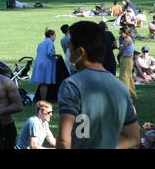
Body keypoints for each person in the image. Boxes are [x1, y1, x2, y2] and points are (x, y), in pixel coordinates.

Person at [56, 21, 140, 149]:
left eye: (70, 46)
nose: (69, 50)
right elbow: (133, 137)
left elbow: (64, 140)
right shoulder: (120, 87)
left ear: (80, 52)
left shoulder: (72, 85)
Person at [30, 29, 57, 101]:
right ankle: (44, 100)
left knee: (42, 83)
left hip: (39, 64)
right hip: (46, 64)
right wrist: (57, 56)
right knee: (44, 83)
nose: (55, 37)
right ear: (51, 35)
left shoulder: (42, 42)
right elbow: (50, 53)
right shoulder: (50, 42)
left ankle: (42, 99)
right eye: (55, 35)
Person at [118, 26, 137, 99]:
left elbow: (122, 50)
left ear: (125, 32)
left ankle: (124, 94)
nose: (120, 34)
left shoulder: (126, 40)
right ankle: (131, 93)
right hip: (128, 59)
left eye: (121, 32)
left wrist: (118, 55)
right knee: (128, 76)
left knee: (124, 77)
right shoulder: (128, 39)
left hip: (126, 59)